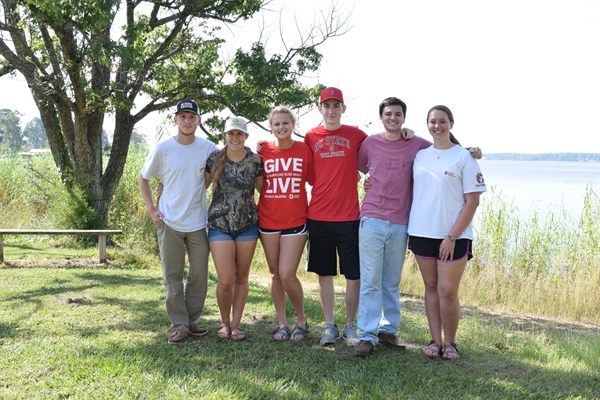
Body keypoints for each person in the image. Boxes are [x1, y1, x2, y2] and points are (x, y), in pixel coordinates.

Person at [354, 97, 482, 357]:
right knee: (375, 282)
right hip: (388, 223)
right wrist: (368, 184)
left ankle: (394, 332)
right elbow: (362, 170)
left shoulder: (425, 148)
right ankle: (370, 335)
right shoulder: (383, 146)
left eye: (398, 114)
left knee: (397, 282)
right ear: (381, 117)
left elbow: (448, 153)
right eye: (388, 113)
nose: (393, 117)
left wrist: (471, 149)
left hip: (408, 225)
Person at [303, 87, 413, 346]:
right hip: (318, 215)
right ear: (320, 109)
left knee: (355, 275)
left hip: (350, 216)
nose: (331, 111)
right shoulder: (310, 136)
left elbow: (383, 146)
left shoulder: (357, 135)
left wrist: (407, 133)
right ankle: (329, 326)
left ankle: (351, 325)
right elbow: (307, 170)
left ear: (343, 108)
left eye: (336, 106)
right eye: (326, 106)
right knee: (325, 273)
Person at [407, 105, 486, 360]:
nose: (437, 126)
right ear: (427, 125)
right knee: (430, 287)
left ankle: (451, 343)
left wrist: (451, 236)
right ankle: (434, 341)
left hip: (454, 236)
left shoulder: (464, 157)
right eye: (432, 122)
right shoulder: (420, 154)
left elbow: (472, 202)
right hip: (421, 232)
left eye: (442, 121)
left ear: (451, 123)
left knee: (447, 290)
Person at [139, 99, 218, 345]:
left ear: (198, 120)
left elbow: (213, 175)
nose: (187, 121)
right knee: (172, 275)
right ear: (175, 120)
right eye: (182, 116)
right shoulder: (163, 149)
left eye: (191, 117)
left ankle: (191, 320)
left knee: (199, 275)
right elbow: (144, 178)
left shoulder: (208, 148)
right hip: (169, 222)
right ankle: (179, 325)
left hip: (197, 222)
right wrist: (152, 210)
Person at [258, 106, 314, 341]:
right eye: (276, 124)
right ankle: (282, 323)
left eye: (285, 123)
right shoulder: (263, 152)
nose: (281, 127)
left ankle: (301, 320)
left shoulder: (304, 150)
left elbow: (315, 181)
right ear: (271, 127)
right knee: (274, 274)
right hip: (268, 219)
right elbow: (258, 184)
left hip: (296, 220)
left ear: (293, 124)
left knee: (287, 273)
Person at [206, 116, 264, 342]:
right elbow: (198, 186)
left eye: (240, 134)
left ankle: (237, 324)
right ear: (225, 136)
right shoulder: (214, 159)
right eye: (231, 133)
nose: (235, 137)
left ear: (246, 136)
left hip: (247, 226)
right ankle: (224, 322)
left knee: (242, 277)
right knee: (225, 279)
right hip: (219, 225)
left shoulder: (255, 161)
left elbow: (263, 191)